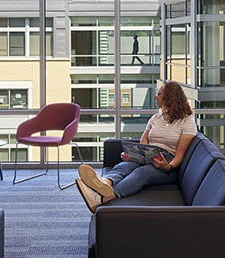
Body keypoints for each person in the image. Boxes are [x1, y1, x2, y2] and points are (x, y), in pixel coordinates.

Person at [75, 81, 197, 212]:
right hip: (150, 157)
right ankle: (105, 182)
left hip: (169, 165)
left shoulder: (187, 121)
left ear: (170, 97)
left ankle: (105, 197)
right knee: (125, 166)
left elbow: (180, 154)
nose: (156, 96)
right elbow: (144, 142)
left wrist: (168, 166)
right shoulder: (156, 118)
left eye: (159, 94)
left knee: (141, 173)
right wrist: (134, 155)